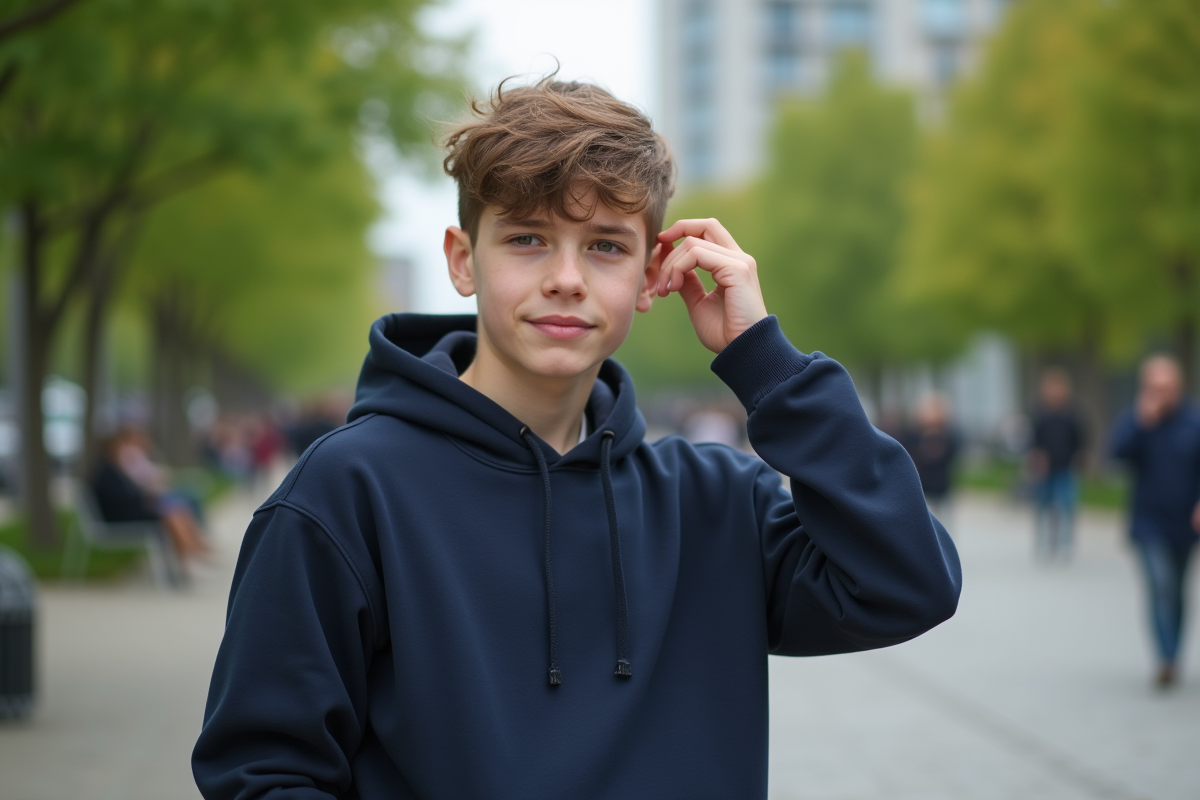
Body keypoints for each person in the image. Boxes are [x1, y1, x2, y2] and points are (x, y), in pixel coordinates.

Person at [192, 78, 961, 798]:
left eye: (605, 245)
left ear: (653, 274)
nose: (566, 277)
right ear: (463, 260)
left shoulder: (719, 501)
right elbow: (264, 769)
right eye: (528, 238)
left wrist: (766, 363)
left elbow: (907, 583)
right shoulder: (348, 490)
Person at [1112, 355, 1200, 689]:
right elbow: (1116, 455)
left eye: (1166, 387)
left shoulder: (1193, 422)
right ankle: (1165, 659)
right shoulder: (1137, 421)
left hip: (1185, 522)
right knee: (1161, 586)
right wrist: (1141, 423)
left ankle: (1174, 653)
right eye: (1154, 387)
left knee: (1177, 591)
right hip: (1149, 521)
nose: (1160, 394)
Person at [89, 426, 209, 570]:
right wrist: (145, 498)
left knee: (177, 510)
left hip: (127, 512)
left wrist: (144, 496)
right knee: (171, 515)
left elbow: (127, 494)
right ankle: (187, 559)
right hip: (119, 518)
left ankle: (192, 552)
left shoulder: (113, 470)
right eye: (120, 448)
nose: (123, 451)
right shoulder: (106, 473)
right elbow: (119, 500)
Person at [1028, 368, 1086, 562]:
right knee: (1043, 506)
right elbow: (1033, 440)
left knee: (1067, 505)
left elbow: (1080, 439)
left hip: (1065, 467)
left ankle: (1065, 544)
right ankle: (1044, 543)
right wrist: (1037, 458)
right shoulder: (1040, 413)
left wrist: (1079, 458)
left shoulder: (1072, 413)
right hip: (1045, 469)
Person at [905, 392, 960, 522]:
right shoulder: (912, 435)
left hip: (941, 489)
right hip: (921, 489)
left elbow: (951, 456)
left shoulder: (950, 436)